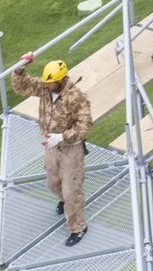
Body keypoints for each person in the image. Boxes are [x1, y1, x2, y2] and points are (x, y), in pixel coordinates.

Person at [9, 53, 93, 247]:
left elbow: (85, 124)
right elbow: (22, 86)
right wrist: (20, 68)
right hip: (51, 146)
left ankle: (78, 227)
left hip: (70, 148)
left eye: (51, 83)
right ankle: (66, 202)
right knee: (52, 182)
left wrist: (62, 137)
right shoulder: (46, 87)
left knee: (71, 190)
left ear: (61, 81)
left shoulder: (76, 97)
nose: (46, 86)